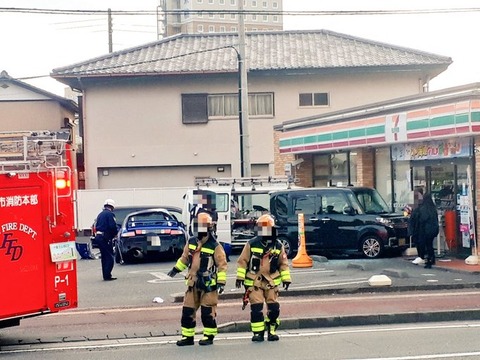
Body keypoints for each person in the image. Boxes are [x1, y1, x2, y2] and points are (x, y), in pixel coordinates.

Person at [167, 212, 228, 346]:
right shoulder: (192, 242)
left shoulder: (215, 246)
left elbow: (222, 266)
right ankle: (187, 337)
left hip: (208, 285)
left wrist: (221, 283)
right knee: (187, 311)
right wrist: (176, 269)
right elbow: (185, 258)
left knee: (207, 312)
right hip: (193, 283)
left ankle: (209, 336)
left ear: (209, 228)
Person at [235, 214, 291, 342]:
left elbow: (283, 264)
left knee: (274, 308)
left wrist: (286, 279)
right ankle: (258, 333)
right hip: (255, 282)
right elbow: (242, 261)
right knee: (256, 308)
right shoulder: (252, 244)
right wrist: (240, 277)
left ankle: (271, 330)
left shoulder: (278, 245)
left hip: (271, 282)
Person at [409, 193, 439, 269]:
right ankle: (432, 258)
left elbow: (422, 219)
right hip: (433, 229)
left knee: (426, 244)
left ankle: (429, 259)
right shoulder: (433, 208)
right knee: (430, 244)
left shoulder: (423, 208)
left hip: (426, 230)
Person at [93, 199, 118, 281]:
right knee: (109, 257)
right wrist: (115, 234)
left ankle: (105, 274)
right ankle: (108, 275)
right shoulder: (110, 214)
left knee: (104, 256)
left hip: (99, 237)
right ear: (112, 207)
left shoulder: (100, 214)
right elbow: (112, 226)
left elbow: (95, 226)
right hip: (105, 237)